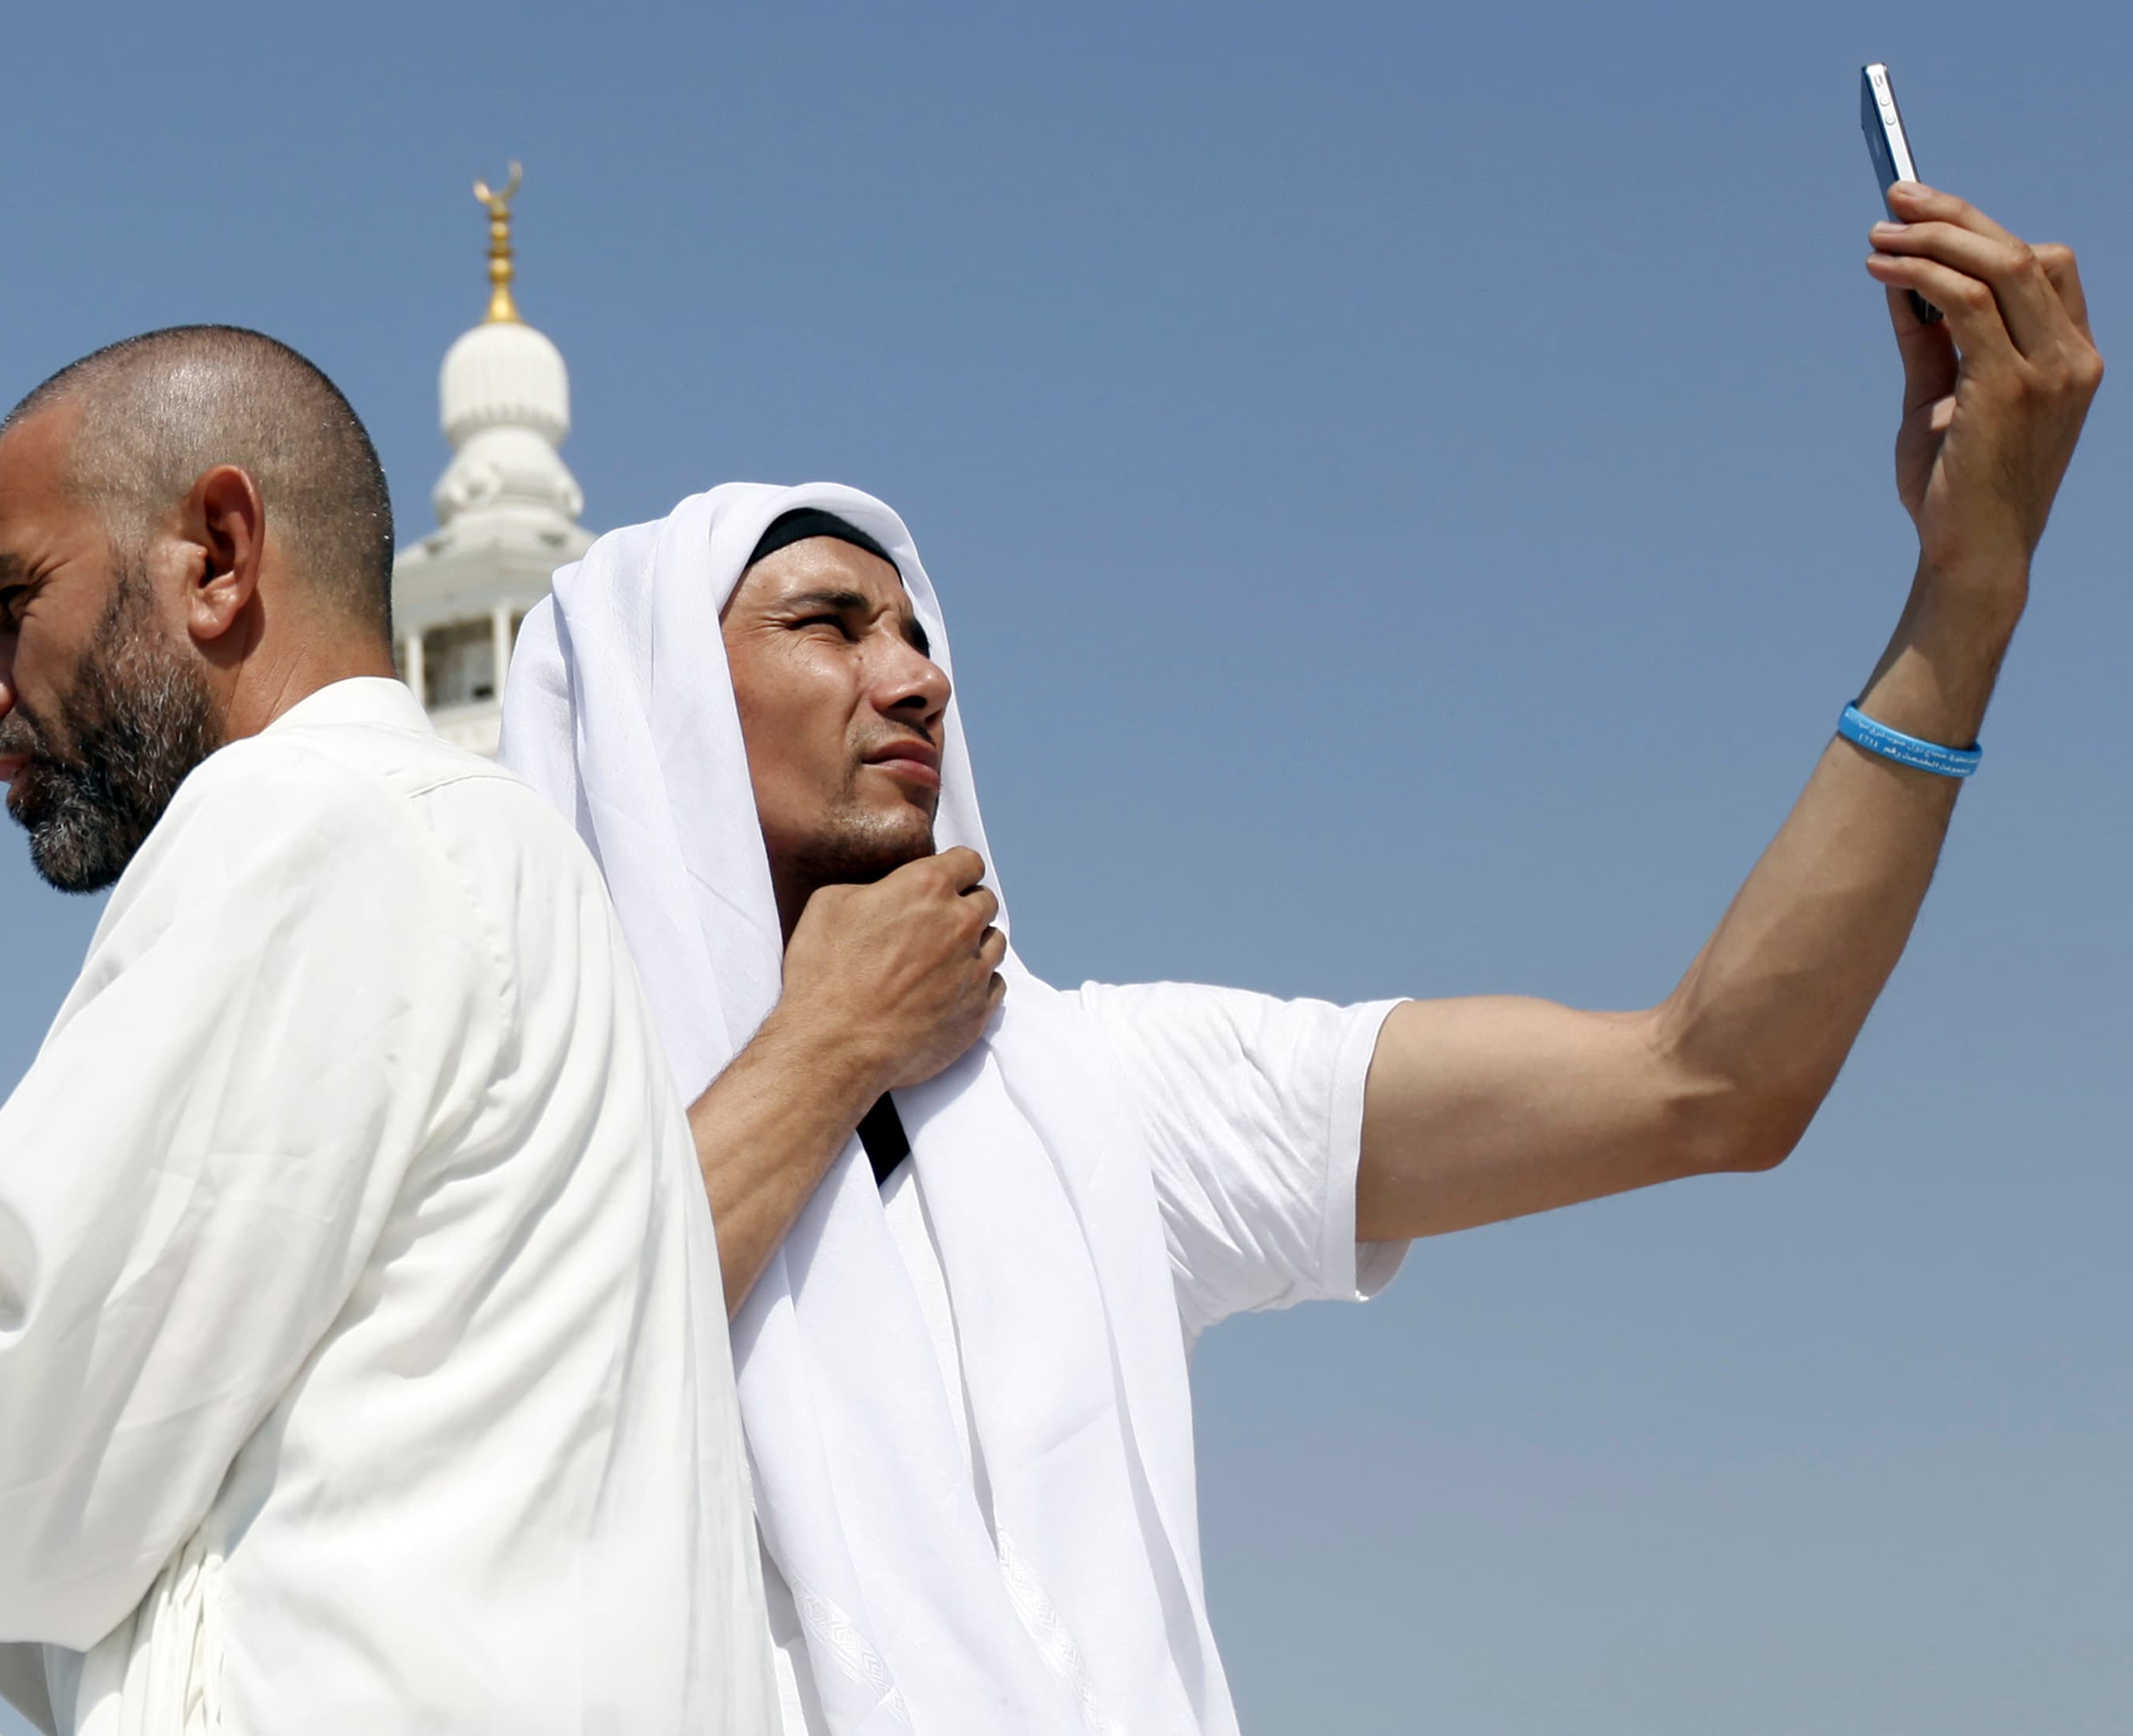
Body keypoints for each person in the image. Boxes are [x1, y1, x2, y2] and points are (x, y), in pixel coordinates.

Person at [498, 183, 2101, 1734]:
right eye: (828, 624)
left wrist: (1966, 596)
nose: (915, 676)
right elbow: (525, 1393)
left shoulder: (1093, 1095)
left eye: (917, 631)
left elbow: (1711, 1079)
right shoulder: (509, 1141)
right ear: (656, 708)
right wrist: (830, 1041)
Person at [0, 326, 772, 1735]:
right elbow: (128, 1598)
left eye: (11, 600)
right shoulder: (507, 862)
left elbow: (12, 1505)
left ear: (219, 556)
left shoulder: (306, 819)